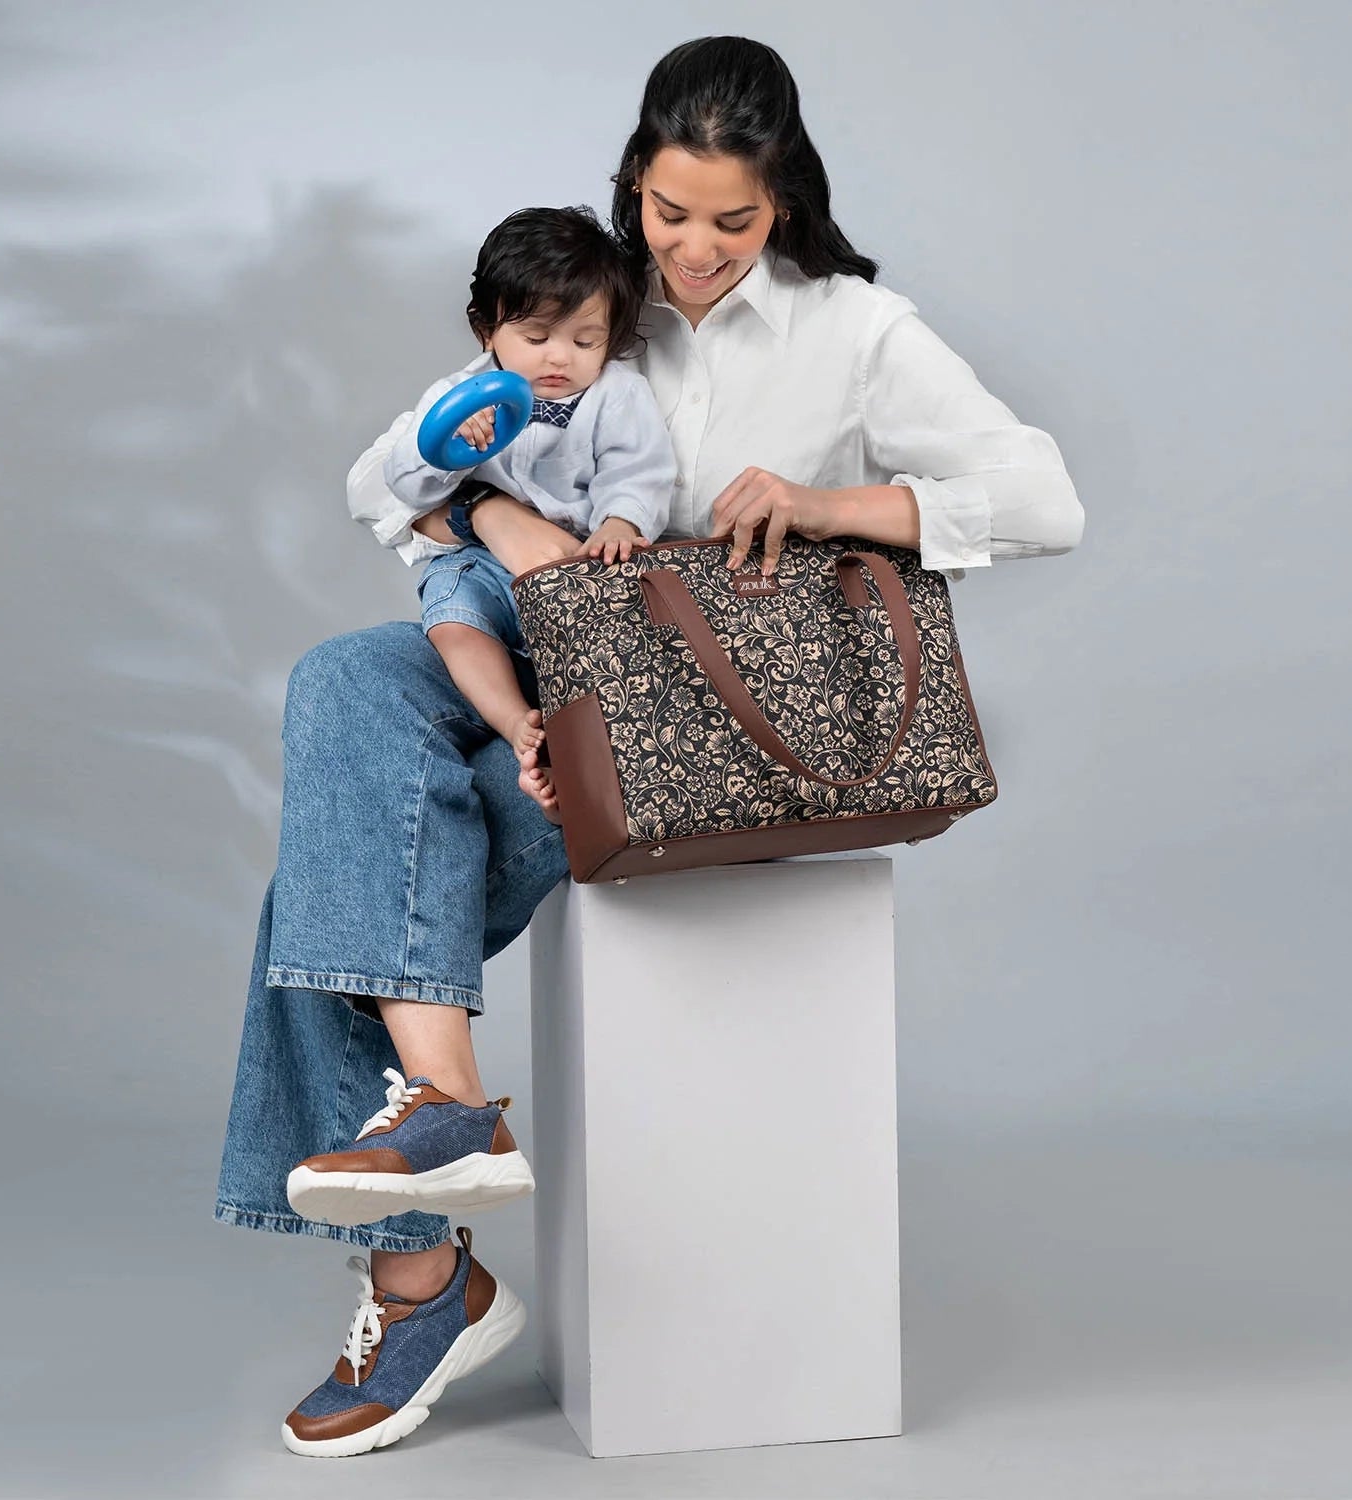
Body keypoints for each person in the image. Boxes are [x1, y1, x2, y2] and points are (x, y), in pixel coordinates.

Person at [217, 34, 1085, 1458]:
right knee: (343, 690)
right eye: (669, 211)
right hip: (539, 657)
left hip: (699, 715)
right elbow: (395, 472)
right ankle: (446, 1110)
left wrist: (825, 505)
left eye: (732, 220)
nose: (693, 248)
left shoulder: (854, 329)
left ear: (785, 199)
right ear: (633, 183)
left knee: (339, 862)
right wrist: (492, 513)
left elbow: (1045, 498)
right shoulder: (589, 299)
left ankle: (423, 1278)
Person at [384, 206, 675, 795]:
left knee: (622, 624)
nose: (560, 357)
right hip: (483, 564)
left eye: (585, 340)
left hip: (580, 564)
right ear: (486, 331)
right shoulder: (459, 397)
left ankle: (602, 753)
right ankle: (518, 723)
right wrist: (444, 450)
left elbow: (639, 470)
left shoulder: (617, 394)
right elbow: (403, 484)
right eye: (536, 338)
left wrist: (620, 520)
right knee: (452, 617)